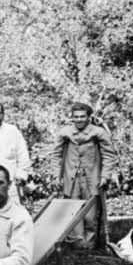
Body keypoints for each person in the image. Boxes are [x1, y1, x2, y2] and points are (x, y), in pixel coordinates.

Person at [50, 101, 114, 248]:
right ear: (72, 117)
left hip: (92, 178)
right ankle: (77, 244)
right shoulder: (65, 132)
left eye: (82, 116)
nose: (79, 120)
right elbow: (56, 155)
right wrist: (56, 176)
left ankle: (89, 244)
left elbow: (109, 155)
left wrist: (105, 176)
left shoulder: (98, 132)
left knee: (91, 215)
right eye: (76, 117)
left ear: (88, 117)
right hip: (71, 178)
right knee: (73, 211)